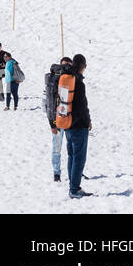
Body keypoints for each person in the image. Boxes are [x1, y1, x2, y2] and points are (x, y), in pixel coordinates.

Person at [59, 54, 91, 198]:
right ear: (83, 66)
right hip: (78, 125)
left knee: (72, 156)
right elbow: (82, 106)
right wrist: (87, 121)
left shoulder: (67, 79)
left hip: (67, 124)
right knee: (79, 158)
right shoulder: (78, 82)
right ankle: (74, 189)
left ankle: (73, 184)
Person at [44, 56, 75, 184]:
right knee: (60, 148)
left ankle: (71, 171)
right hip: (60, 120)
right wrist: (51, 122)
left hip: (67, 119)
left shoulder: (70, 79)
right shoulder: (55, 79)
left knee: (68, 148)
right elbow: (49, 102)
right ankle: (57, 172)